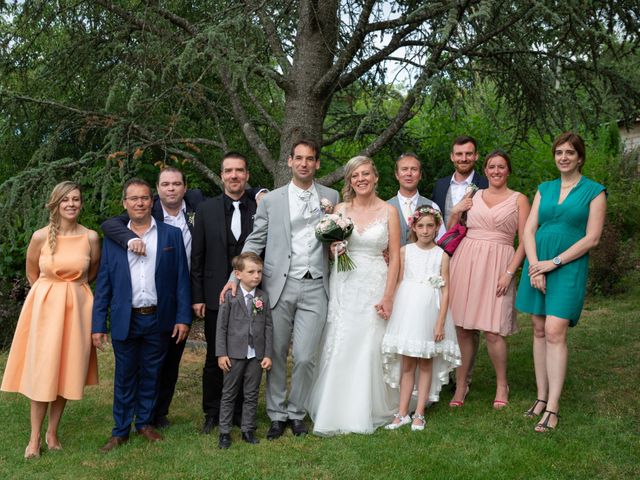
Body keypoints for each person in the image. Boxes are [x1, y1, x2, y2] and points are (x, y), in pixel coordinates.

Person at [221, 139, 340, 439]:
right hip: (278, 286)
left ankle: (297, 412)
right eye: (298, 158)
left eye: (309, 159)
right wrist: (235, 276)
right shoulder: (271, 200)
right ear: (289, 162)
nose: (304, 163)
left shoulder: (331, 196)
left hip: (315, 285)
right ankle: (276, 414)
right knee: (273, 352)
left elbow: (337, 233)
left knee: (304, 356)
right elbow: (255, 240)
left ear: (317, 164)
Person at [1, 181, 100, 458]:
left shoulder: (91, 237)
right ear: (55, 204)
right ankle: (34, 438)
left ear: (81, 204)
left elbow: (92, 272)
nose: (71, 204)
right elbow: (32, 272)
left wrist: (72, 292)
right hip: (44, 310)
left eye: (76, 199)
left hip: (77, 309)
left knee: (67, 369)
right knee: (43, 370)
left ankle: (52, 431)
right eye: (65, 200)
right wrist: (50, 294)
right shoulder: (40, 237)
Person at [92, 178, 192, 452]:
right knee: (125, 375)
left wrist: (183, 318)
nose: (139, 203)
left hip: (159, 318)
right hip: (127, 318)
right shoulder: (113, 240)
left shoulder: (171, 235)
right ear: (125, 204)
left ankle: (146, 423)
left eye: (145, 198)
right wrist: (98, 324)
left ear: (152, 201)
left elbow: (182, 280)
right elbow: (104, 284)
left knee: (152, 373)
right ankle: (120, 429)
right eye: (133, 198)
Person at [516, 132, 606, 432]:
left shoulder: (594, 191)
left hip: (567, 264)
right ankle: (541, 398)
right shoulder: (545, 188)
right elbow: (529, 230)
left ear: (580, 157)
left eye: (569, 152)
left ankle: (553, 406)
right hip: (537, 262)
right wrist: (535, 268)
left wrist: (553, 264)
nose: (563, 157)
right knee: (539, 328)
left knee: (555, 329)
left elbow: (592, 238)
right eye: (558, 152)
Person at [307, 155, 401, 435]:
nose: (361, 179)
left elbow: (395, 257)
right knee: (343, 337)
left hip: (375, 281)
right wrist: (334, 250)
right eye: (355, 176)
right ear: (350, 181)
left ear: (376, 177)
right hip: (345, 283)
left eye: (366, 174)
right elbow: (331, 246)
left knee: (371, 342)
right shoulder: (340, 209)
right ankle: (335, 408)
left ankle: (371, 406)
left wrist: (389, 296)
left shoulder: (389, 212)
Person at [447, 151, 530, 408]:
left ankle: (502, 384)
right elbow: (451, 231)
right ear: (485, 170)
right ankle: (461, 384)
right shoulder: (473, 196)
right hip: (466, 261)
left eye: (501, 167)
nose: (496, 171)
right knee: (463, 328)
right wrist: (456, 210)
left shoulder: (519, 200)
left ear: (508, 170)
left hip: (499, 264)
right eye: (492, 167)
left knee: (494, 330)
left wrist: (510, 272)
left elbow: (525, 240)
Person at [191, 152, 257, 434]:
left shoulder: (260, 206)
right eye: (228, 171)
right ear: (221, 176)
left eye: (239, 171)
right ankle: (213, 411)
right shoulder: (205, 210)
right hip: (215, 294)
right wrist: (198, 296)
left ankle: (242, 410)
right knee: (214, 357)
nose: (234, 176)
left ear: (247, 176)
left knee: (247, 355)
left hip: (251, 294)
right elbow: (197, 256)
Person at [381, 206, 461, 431]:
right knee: (408, 364)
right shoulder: (405, 251)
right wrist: (393, 309)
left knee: (426, 363)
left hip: (429, 313)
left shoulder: (442, 255)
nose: (425, 230)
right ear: (414, 228)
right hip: (408, 311)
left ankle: (420, 413)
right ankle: (402, 412)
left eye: (430, 226)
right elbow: (398, 282)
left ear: (437, 228)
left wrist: (440, 321)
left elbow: (445, 290)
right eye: (421, 226)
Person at [432, 135, 489, 388]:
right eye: (459, 154)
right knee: (442, 312)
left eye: (468, 154)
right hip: (443, 253)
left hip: (474, 254)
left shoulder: (486, 182)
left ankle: (463, 376)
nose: (463, 158)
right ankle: (444, 371)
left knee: (468, 318)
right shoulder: (441, 185)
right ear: (452, 157)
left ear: (476, 156)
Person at [216, 252, 273, 449]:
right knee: (229, 393)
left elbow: (268, 327)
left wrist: (267, 354)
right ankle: (224, 431)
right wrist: (222, 353)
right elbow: (221, 327)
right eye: (251, 272)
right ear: (238, 274)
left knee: (251, 393)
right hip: (234, 353)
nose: (256, 276)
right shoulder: (230, 297)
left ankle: (248, 429)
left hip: (255, 355)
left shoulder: (262, 297)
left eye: (259, 272)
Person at [387, 153, 445, 245]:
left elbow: (441, 242)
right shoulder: (384, 207)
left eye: (414, 169)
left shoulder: (433, 207)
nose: (409, 173)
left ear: (420, 175)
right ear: (397, 174)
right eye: (404, 169)